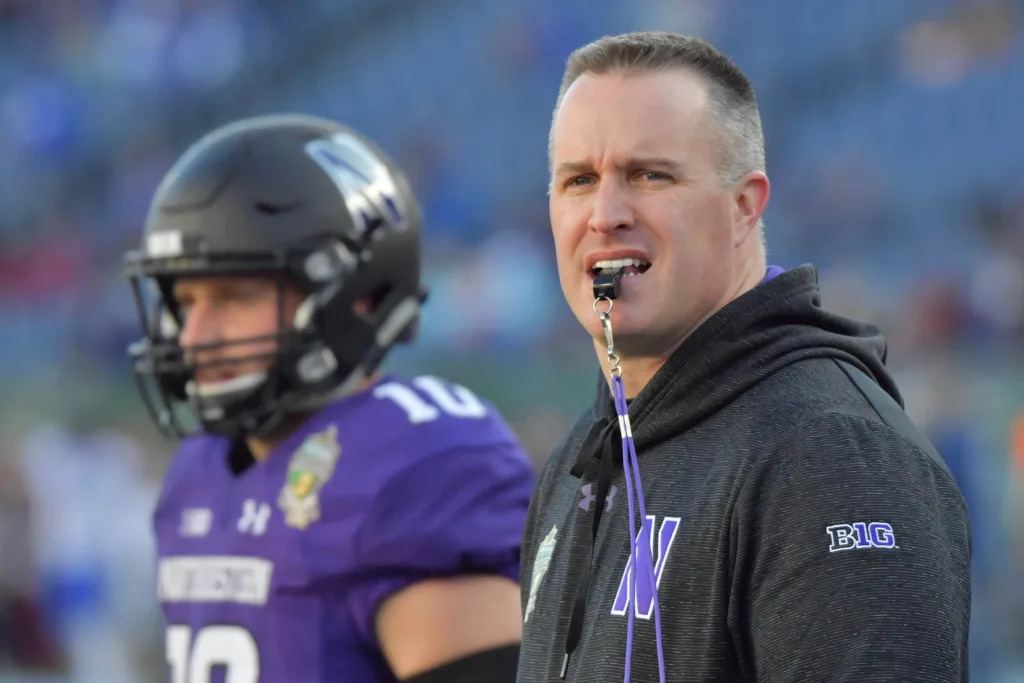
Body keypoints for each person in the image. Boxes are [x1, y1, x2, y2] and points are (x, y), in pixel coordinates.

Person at [517, 31, 971, 683]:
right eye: (579, 180)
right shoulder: (581, 456)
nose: (605, 214)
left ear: (743, 206)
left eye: (650, 175)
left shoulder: (828, 453)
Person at [122, 114, 534, 683]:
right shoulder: (199, 470)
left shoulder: (414, 462)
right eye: (186, 302)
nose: (194, 336)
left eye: (234, 296)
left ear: (356, 296)